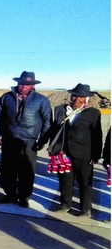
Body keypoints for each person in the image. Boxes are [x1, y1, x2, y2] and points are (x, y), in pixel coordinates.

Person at [0, 71, 52, 207]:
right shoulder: (7, 97)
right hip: (9, 140)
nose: (23, 86)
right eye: (22, 83)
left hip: (28, 142)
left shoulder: (41, 100)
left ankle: (24, 197)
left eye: (27, 84)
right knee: (8, 170)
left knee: (26, 171)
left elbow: (47, 122)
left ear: (32, 86)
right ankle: (10, 194)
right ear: (18, 83)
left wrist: (42, 141)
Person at [46, 83, 102, 217]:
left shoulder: (93, 113)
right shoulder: (60, 110)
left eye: (81, 97)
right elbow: (53, 129)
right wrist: (46, 144)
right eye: (75, 96)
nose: (77, 100)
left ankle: (85, 209)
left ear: (87, 99)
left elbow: (97, 135)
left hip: (84, 153)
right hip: (63, 152)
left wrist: (96, 155)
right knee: (65, 180)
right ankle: (65, 205)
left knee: (84, 182)